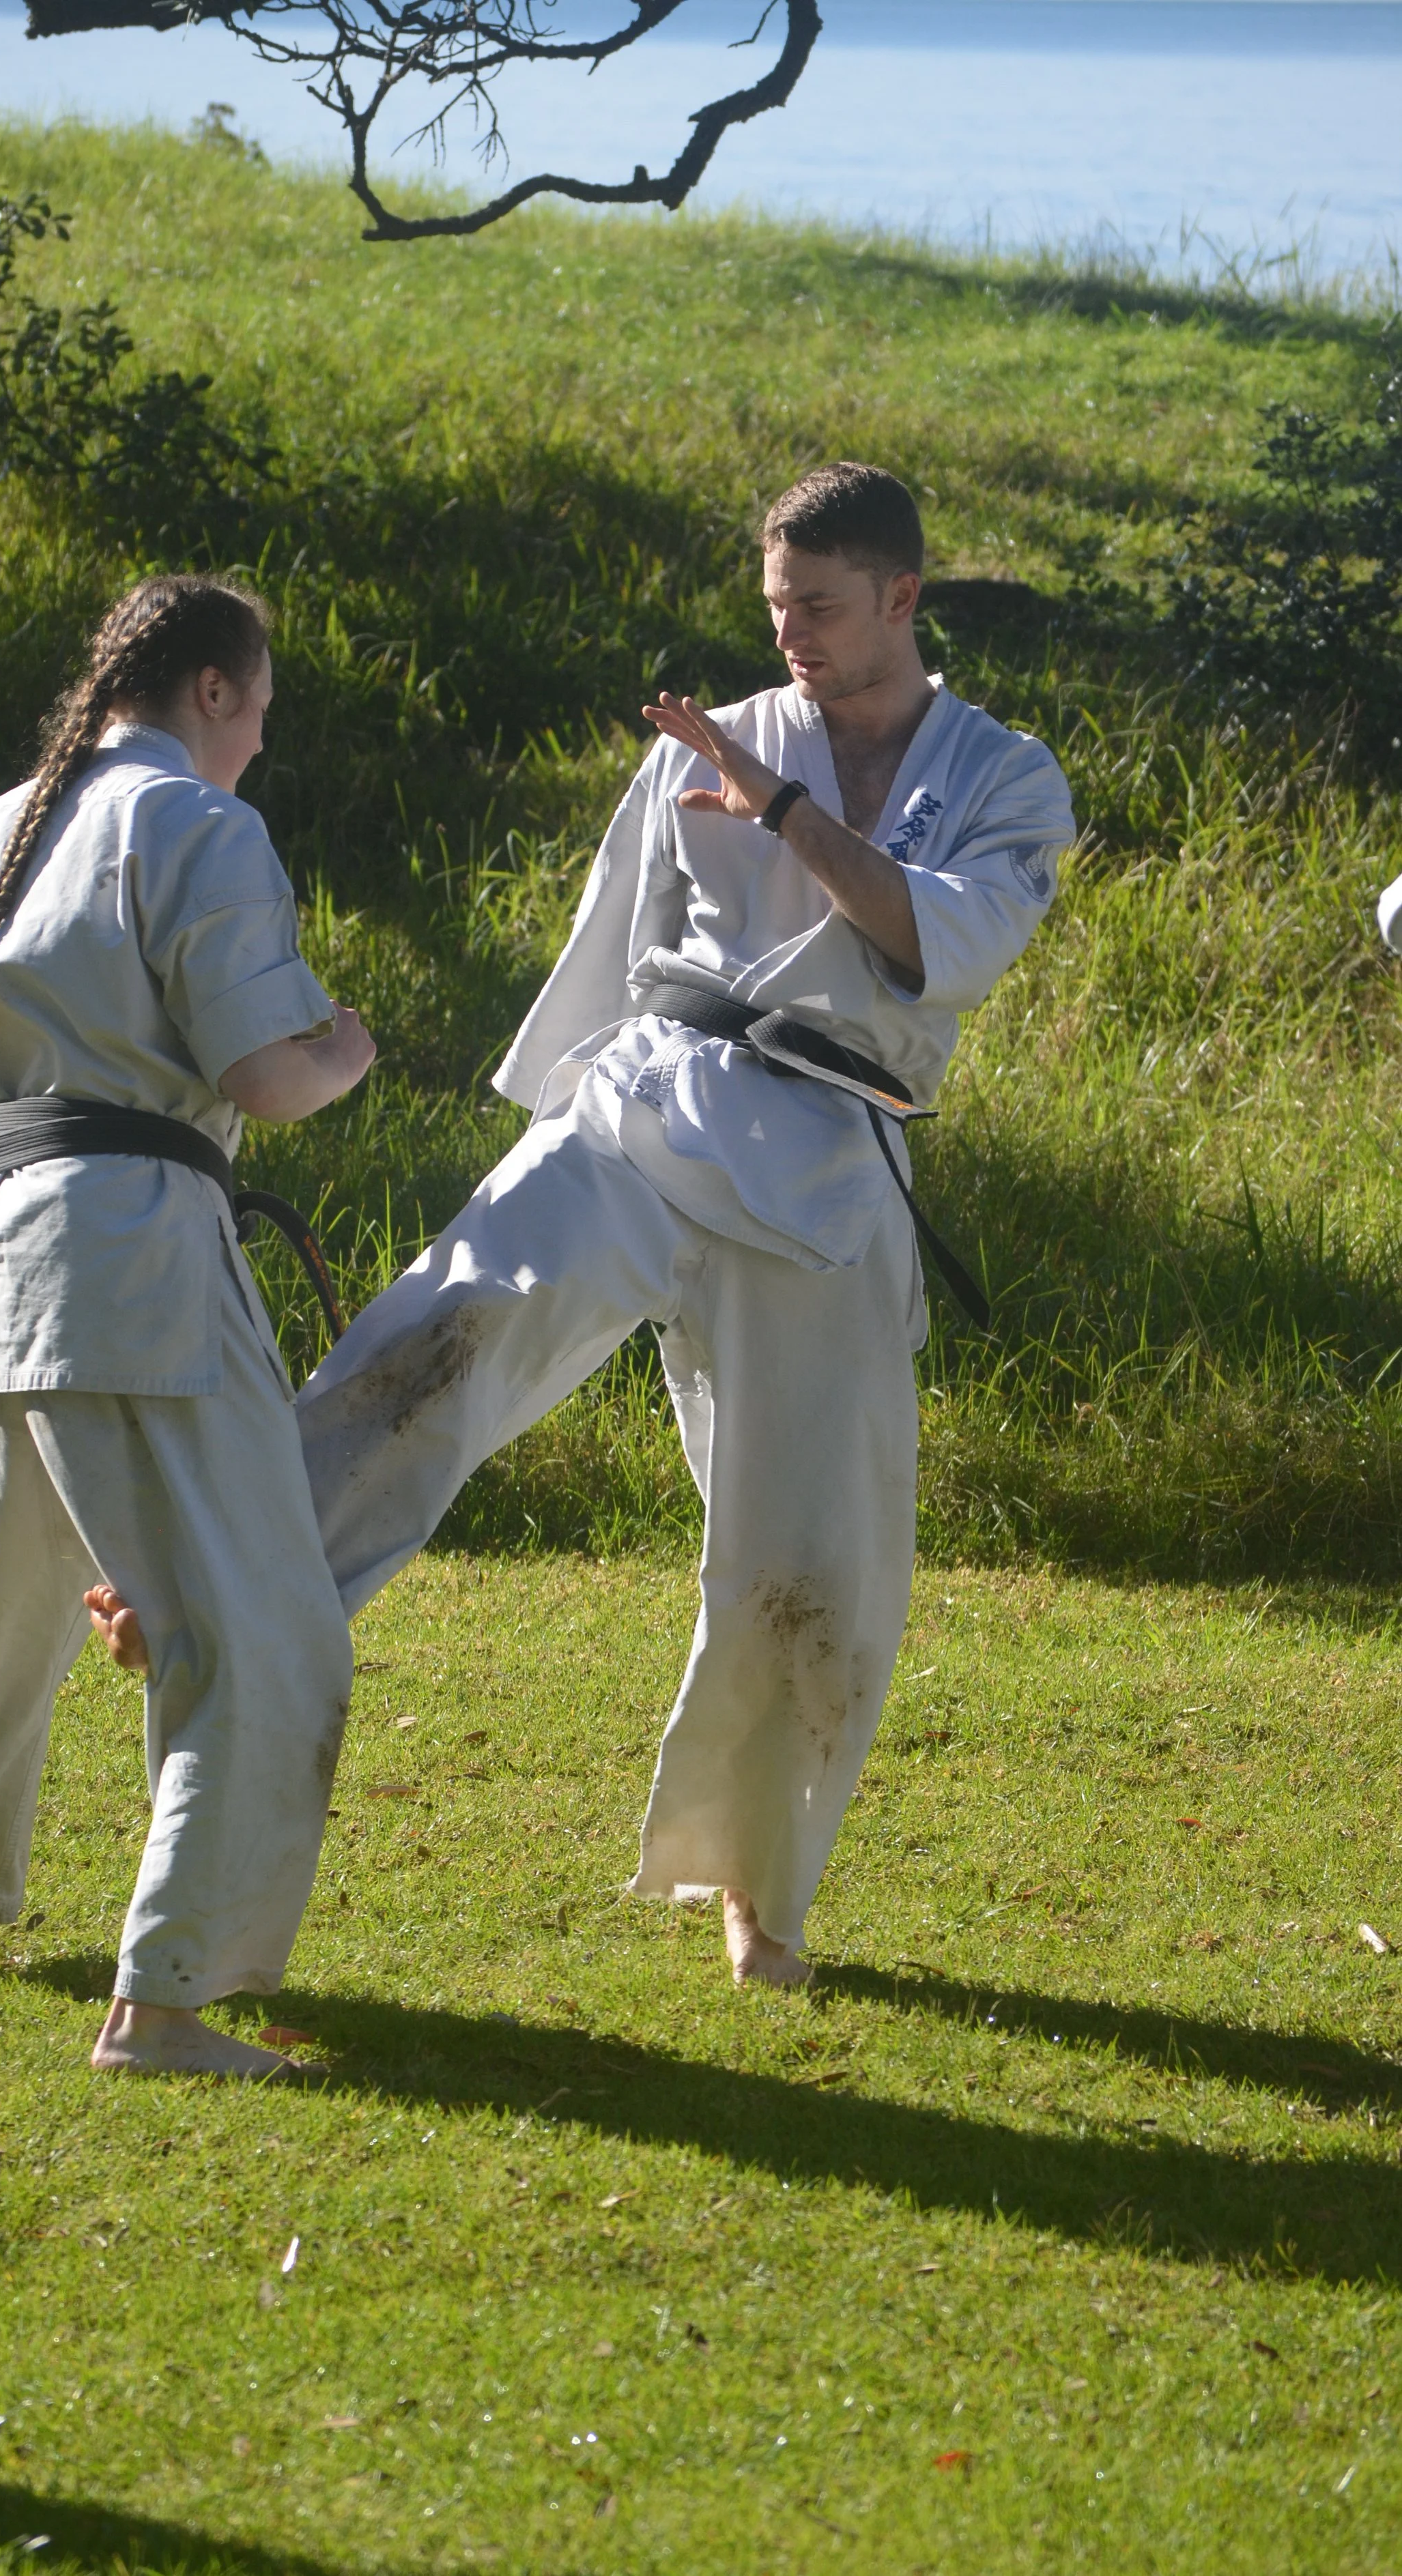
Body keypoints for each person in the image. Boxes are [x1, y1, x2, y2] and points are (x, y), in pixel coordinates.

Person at [96, 465, 1076, 1990]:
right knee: (443, 1329)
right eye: (776, 606)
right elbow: (616, 938)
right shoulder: (719, 734)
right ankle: (213, 1583)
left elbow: (930, 936)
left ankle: (758, 1891)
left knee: (812, 1546)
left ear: (902, 597)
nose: (792, 635)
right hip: (653, 1098)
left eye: (821, 606)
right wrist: (552, 1128)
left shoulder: (1005, 776)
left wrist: (785, 815)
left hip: (829, 1161)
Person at [0, 573, 375, 2079]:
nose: (260, 740)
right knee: (256, 1630)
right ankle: (164, 2001)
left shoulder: (7, 820)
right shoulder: (198, 823)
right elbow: (266, 1074)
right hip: (132, 1256)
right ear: (213, 689)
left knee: (31, 1599)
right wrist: (348, 1049)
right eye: (259, 709)